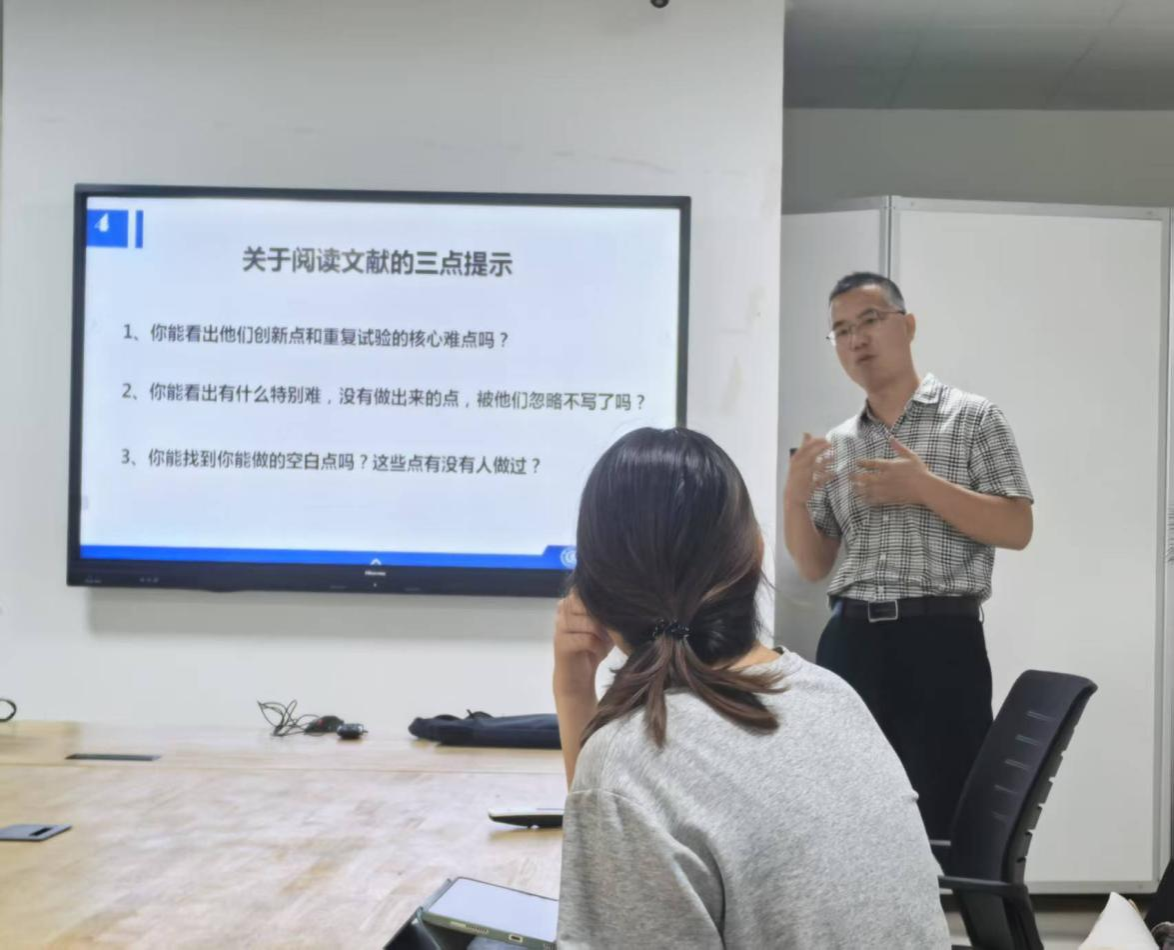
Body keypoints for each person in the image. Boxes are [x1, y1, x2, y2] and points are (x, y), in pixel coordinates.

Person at [553, 427, 949, 950]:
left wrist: (572, 692)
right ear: (756, 554)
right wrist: (575, 694)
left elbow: (619, 826)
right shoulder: (831, 695)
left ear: (592, 589)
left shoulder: (628, 762)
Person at [783, 271, 1034, 839]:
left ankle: (936, 902)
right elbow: (814, 564)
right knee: (847, 814)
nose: (857, 339)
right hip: (851, 642)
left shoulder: (974, 418)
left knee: (941, 816)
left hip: (941, 641)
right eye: (842, 331)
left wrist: (923, 487)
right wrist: (794, 499)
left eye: (870, 320)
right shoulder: (839, 442)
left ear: (909, 325)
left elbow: (1017, 527)